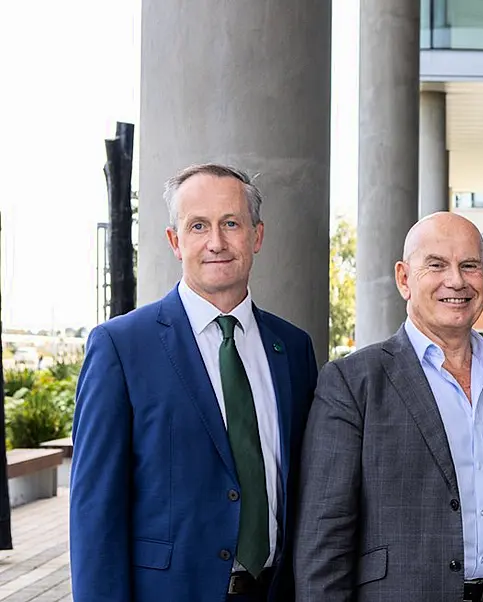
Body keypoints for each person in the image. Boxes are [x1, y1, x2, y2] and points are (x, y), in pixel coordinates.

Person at [70, 163, 319, 601]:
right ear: (175, 240)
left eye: (231, 224)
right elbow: (95, 512)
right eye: (198, 225)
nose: (216, 242)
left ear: (257, 236)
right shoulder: (121, 347)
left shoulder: (294, 348)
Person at [293, 212, 483, 602]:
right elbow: (324, 538)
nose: (456, 280)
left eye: (469, 266)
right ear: (404, 278)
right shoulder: (353, 383)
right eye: (436, 265)